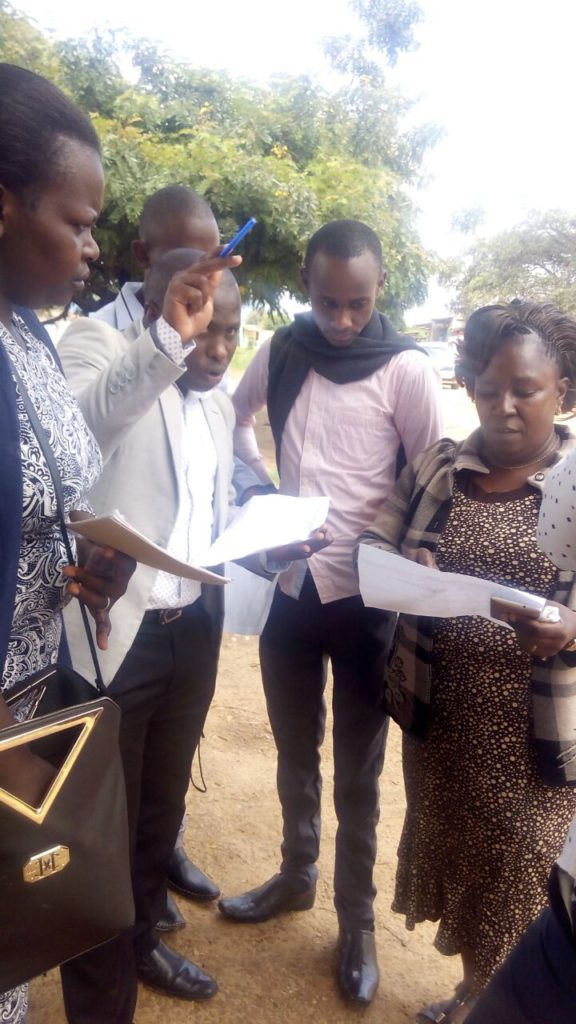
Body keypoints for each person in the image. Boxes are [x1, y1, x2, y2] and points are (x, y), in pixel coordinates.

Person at [59, 246, 329, 1017]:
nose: (218, 350)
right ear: (159, 306)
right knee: (99, 836)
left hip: (192, 631)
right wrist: (164, 348)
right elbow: (79, 431)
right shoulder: (96, 347)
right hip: (114, 635)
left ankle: (143, 938)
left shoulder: (215, 405)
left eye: (231, 331)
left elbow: (209, 523)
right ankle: (100, 997)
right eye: (204, 329)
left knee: (159, 814)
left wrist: (266, 544)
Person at [220, 219, 442, 1005]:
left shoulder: (407, 369)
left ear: (379, 291)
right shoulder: (283, 352)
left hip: (366, 604)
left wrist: (404, 550)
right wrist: (257, 489)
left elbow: (430, 474)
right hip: (292, 592)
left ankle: (356, 921)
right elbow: (232, 413)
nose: (342, 320)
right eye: (325, 302)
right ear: (306, 291)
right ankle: (295, 875)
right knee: (291, 752)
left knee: (358, 772)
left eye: (356, 303)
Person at [359, 301, 576, 1023]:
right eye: (489, 390)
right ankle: (475, 987)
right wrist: (406, 563)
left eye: (525, 390)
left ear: (563, 393)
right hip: (440, 723)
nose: (504, 407)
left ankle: (494, 1000)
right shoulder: (439, 467)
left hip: (533, 743)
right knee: (461, 866)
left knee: (517, 880)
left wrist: (569, 628)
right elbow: (377, 546)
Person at [0, 63, 135, 1024]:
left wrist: (95, 562)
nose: (92, 247)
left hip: (26, 721)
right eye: (76, 223)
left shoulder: (31, 337)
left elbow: (57, 504)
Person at [465, 443, 576, 1024]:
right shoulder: (568, 481)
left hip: (543, 736)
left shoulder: (562, 477)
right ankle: (471, 985)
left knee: (516, 868)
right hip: (565, 925)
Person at [91, 184, 219, 329]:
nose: (205, 273)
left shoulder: (210, 332)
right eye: (189, 257)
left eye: (213, 261)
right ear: (143, 255)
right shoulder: (95, 336)